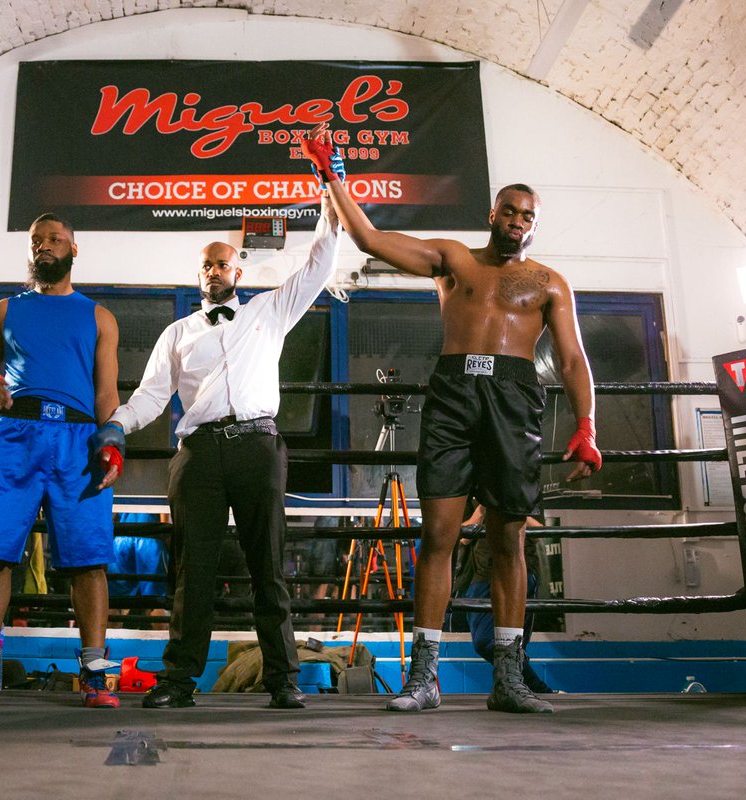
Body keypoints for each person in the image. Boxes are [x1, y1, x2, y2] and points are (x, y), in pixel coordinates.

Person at [303, 125, 601, 714]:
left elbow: (570, 358)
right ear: (493, 212)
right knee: (437, 535)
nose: (518, 221)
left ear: (534, 225)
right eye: (510, 210)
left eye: (528, 216)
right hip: (454, 392)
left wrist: (587, 424)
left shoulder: (548, 283)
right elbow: (367, 238)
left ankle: (508, 681)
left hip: (514, 398)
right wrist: (330, 170)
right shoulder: (451, 258)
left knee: (508, 539)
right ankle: (425, 679)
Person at [94, 183, 341, 710]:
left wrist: (329, 190)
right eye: (206, 265)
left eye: (222, 263)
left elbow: (321, 261)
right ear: (198, 274)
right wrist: (116, 426)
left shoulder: (269, 312)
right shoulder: (177, 333)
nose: (213, 271)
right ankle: (180, 681)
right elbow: (151, 397)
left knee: (269, 568)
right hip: (200, 454)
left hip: (257, 446)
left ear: (238, 273)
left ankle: (282, 680)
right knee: (193, 571)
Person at [0, 212, 123, 709]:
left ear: (74, 250)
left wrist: (112, 441)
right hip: (14, 434)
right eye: (37, 240)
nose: (45, 246)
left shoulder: (99, 317)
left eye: (55, 239)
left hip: (78, 438)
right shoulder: (4, 310)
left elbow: (107, 392)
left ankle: (95, 675)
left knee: (89, 560)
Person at [456, 504, 554, 694]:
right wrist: (484, 509)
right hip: (482, 576)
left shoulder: (523, 490)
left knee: (516, 644)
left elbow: (540, 533)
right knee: (484, 642)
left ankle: (517, 688)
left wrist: (510, 513)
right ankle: (536, 688)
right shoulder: (476, 495)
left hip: (519, 574)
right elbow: (464, 538)